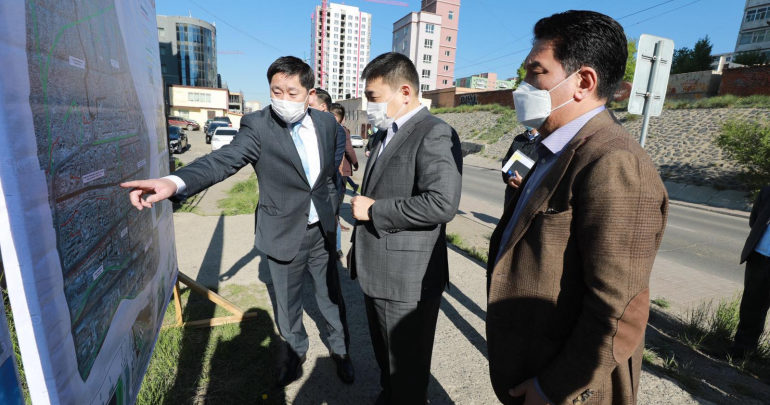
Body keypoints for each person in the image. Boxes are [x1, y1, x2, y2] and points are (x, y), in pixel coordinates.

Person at [120, 56, 354, 387]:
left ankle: (341, 351)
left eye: (292, 92)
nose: (283, 100)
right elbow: (224, 160)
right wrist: (175, 182)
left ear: (310, 93)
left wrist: (332, 208)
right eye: (276, 91)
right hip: (283, 230)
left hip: (322, 231)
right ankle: (294, 353)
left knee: (331, 296)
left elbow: (329, 176)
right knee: (287, 303)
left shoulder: (327, 124)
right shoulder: (257, 125)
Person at [486, 11, 668, 405]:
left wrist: (555, 388)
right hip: (532, 364)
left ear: (583, 82)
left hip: (565, 387)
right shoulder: (551, 147)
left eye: (536, 72)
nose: (523, 85)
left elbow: (619, 309)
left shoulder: (615, 161)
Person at [349, 52, 462, 404]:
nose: (369, 106)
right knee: (389, 364)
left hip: (405, 280)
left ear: (405, 92)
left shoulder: (434, 132)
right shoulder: (386, 133)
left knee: (407, 371)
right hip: (379, 271)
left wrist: (375, 210)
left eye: (373, 97)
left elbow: (442, 203)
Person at [309, 88, 347, 258]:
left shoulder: (337, 130)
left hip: (326, 187)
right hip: (307, 190)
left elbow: (333, 164)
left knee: (330, 223)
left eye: (311, 104)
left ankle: (334, 251)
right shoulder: (306, 127)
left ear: (323, 107)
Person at [732, 185, 770, 359]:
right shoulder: (767, 191)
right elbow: (755, 221)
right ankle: (741, 352)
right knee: (751, 307)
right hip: (758, 256)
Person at [329, 102, 360, 214]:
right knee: (338, 196)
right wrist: (355, 163)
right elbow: (349, 149)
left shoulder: (322, 128)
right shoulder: (342, 130)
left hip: (327, 169)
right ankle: (335, 220)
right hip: (340, 169)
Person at [501, 126, 540, 207]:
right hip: (512, 191)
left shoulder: (546, 141)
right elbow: (506, 161)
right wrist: (509, 178)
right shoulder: (519, 138)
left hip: (530, 194)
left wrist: (524, 183)